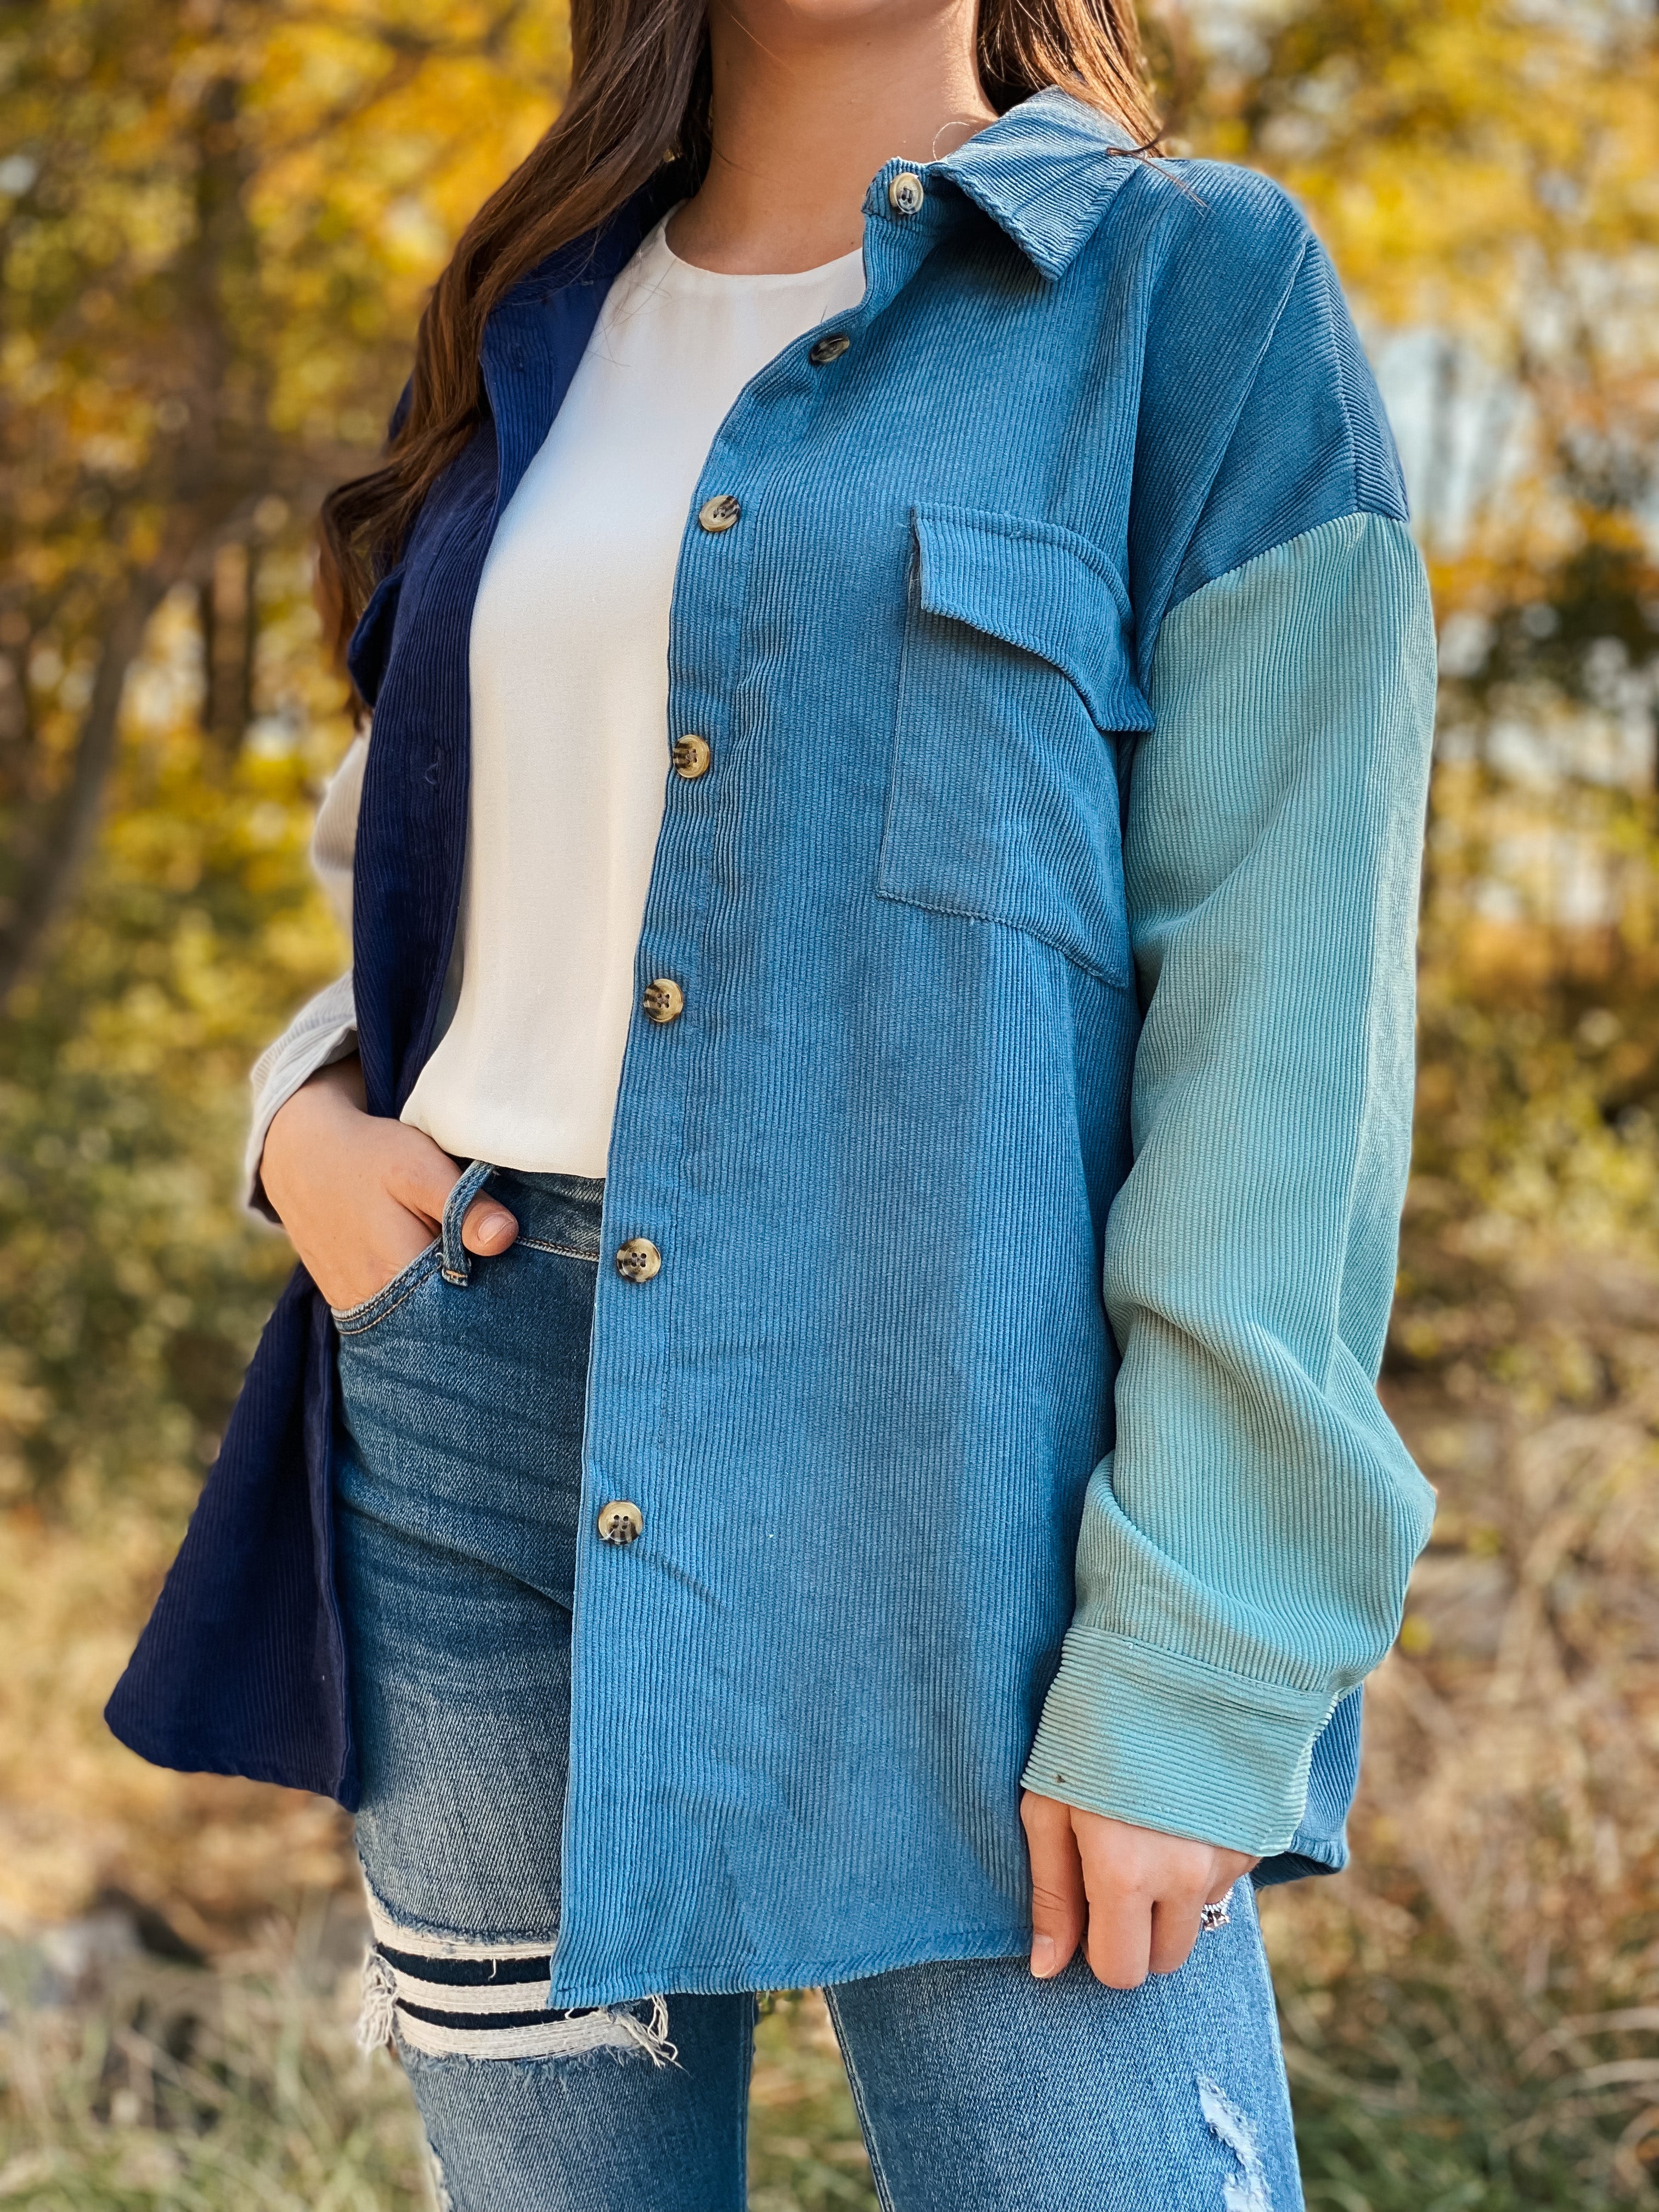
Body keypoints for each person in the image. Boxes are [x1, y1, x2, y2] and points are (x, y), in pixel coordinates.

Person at [106, 0, 1438, 2194]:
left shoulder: (1192, 291)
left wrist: (1203, 1655)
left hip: (970, 1502)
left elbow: (1287, 1051)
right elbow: (408, 865)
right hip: (466, 1443)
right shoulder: (536, 316)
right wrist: (298, 1134)